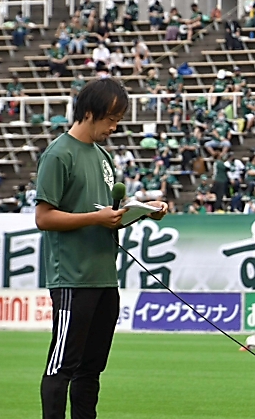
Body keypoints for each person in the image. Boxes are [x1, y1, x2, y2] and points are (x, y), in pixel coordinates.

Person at [36, 78, 168, 419]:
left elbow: (107, 211)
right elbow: (44, 217)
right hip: (73, 278)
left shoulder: (104, 156)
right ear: (90, 113)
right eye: (111, 118)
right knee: (61, 366)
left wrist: (141, 211)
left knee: (92, 369)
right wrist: (96, 219)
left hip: (105, 278)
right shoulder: (58, 154)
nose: (115, 126)